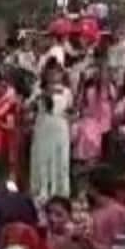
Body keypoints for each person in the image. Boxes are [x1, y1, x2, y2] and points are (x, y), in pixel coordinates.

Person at [29, 65, 72, 201]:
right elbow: (30, 106)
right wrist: (43, 94)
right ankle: (41, 191)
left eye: (57, 73)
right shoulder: (38, 90)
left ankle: (60, 192)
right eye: (51, 73)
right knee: (42, 158)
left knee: (60, 160)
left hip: (60, 127)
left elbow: (70, 109)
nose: (53, 76)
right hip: (43, 126)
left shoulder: (66, 92)